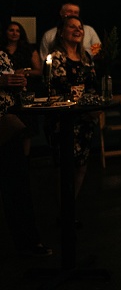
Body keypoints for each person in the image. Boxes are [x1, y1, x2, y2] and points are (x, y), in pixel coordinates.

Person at [0, 51, 52, 257]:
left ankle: (29, 242)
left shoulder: (2, 55)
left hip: (8, 125)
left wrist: (18, 83)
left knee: (18, 186)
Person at [47, 16, 98, 204]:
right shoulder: (57, 57)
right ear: (61, 31)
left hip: (85, 120)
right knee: (64, 167)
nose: (78, 30)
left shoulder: (85, 58)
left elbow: (92, 86)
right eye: (72, 27)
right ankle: (63, 209)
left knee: (81, 166)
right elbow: (59, 86)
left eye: (80, 27)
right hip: (65, 120)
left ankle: (70, 206)